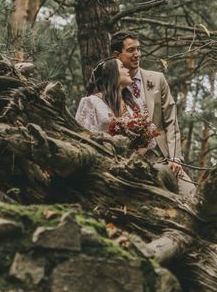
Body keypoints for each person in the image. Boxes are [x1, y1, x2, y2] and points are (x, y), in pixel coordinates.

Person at [75, 57, 180, 194]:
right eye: (122, 67)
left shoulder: (134, 103)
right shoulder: (91, 102)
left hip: (133, 170)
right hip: (102, 169)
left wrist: (137, 148)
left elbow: (149, 139)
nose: (127, 70)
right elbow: (82, 138)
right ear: (112, 74)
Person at [110, 30, 194, 197]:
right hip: (134, 164)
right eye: (131, 50)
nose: (137, 54)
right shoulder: (111, 89)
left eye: (139, 49)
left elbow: (171, 121)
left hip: (166, 159)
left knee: (191, 194)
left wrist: (175, 158)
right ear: (116, 55)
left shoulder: (157, 79)